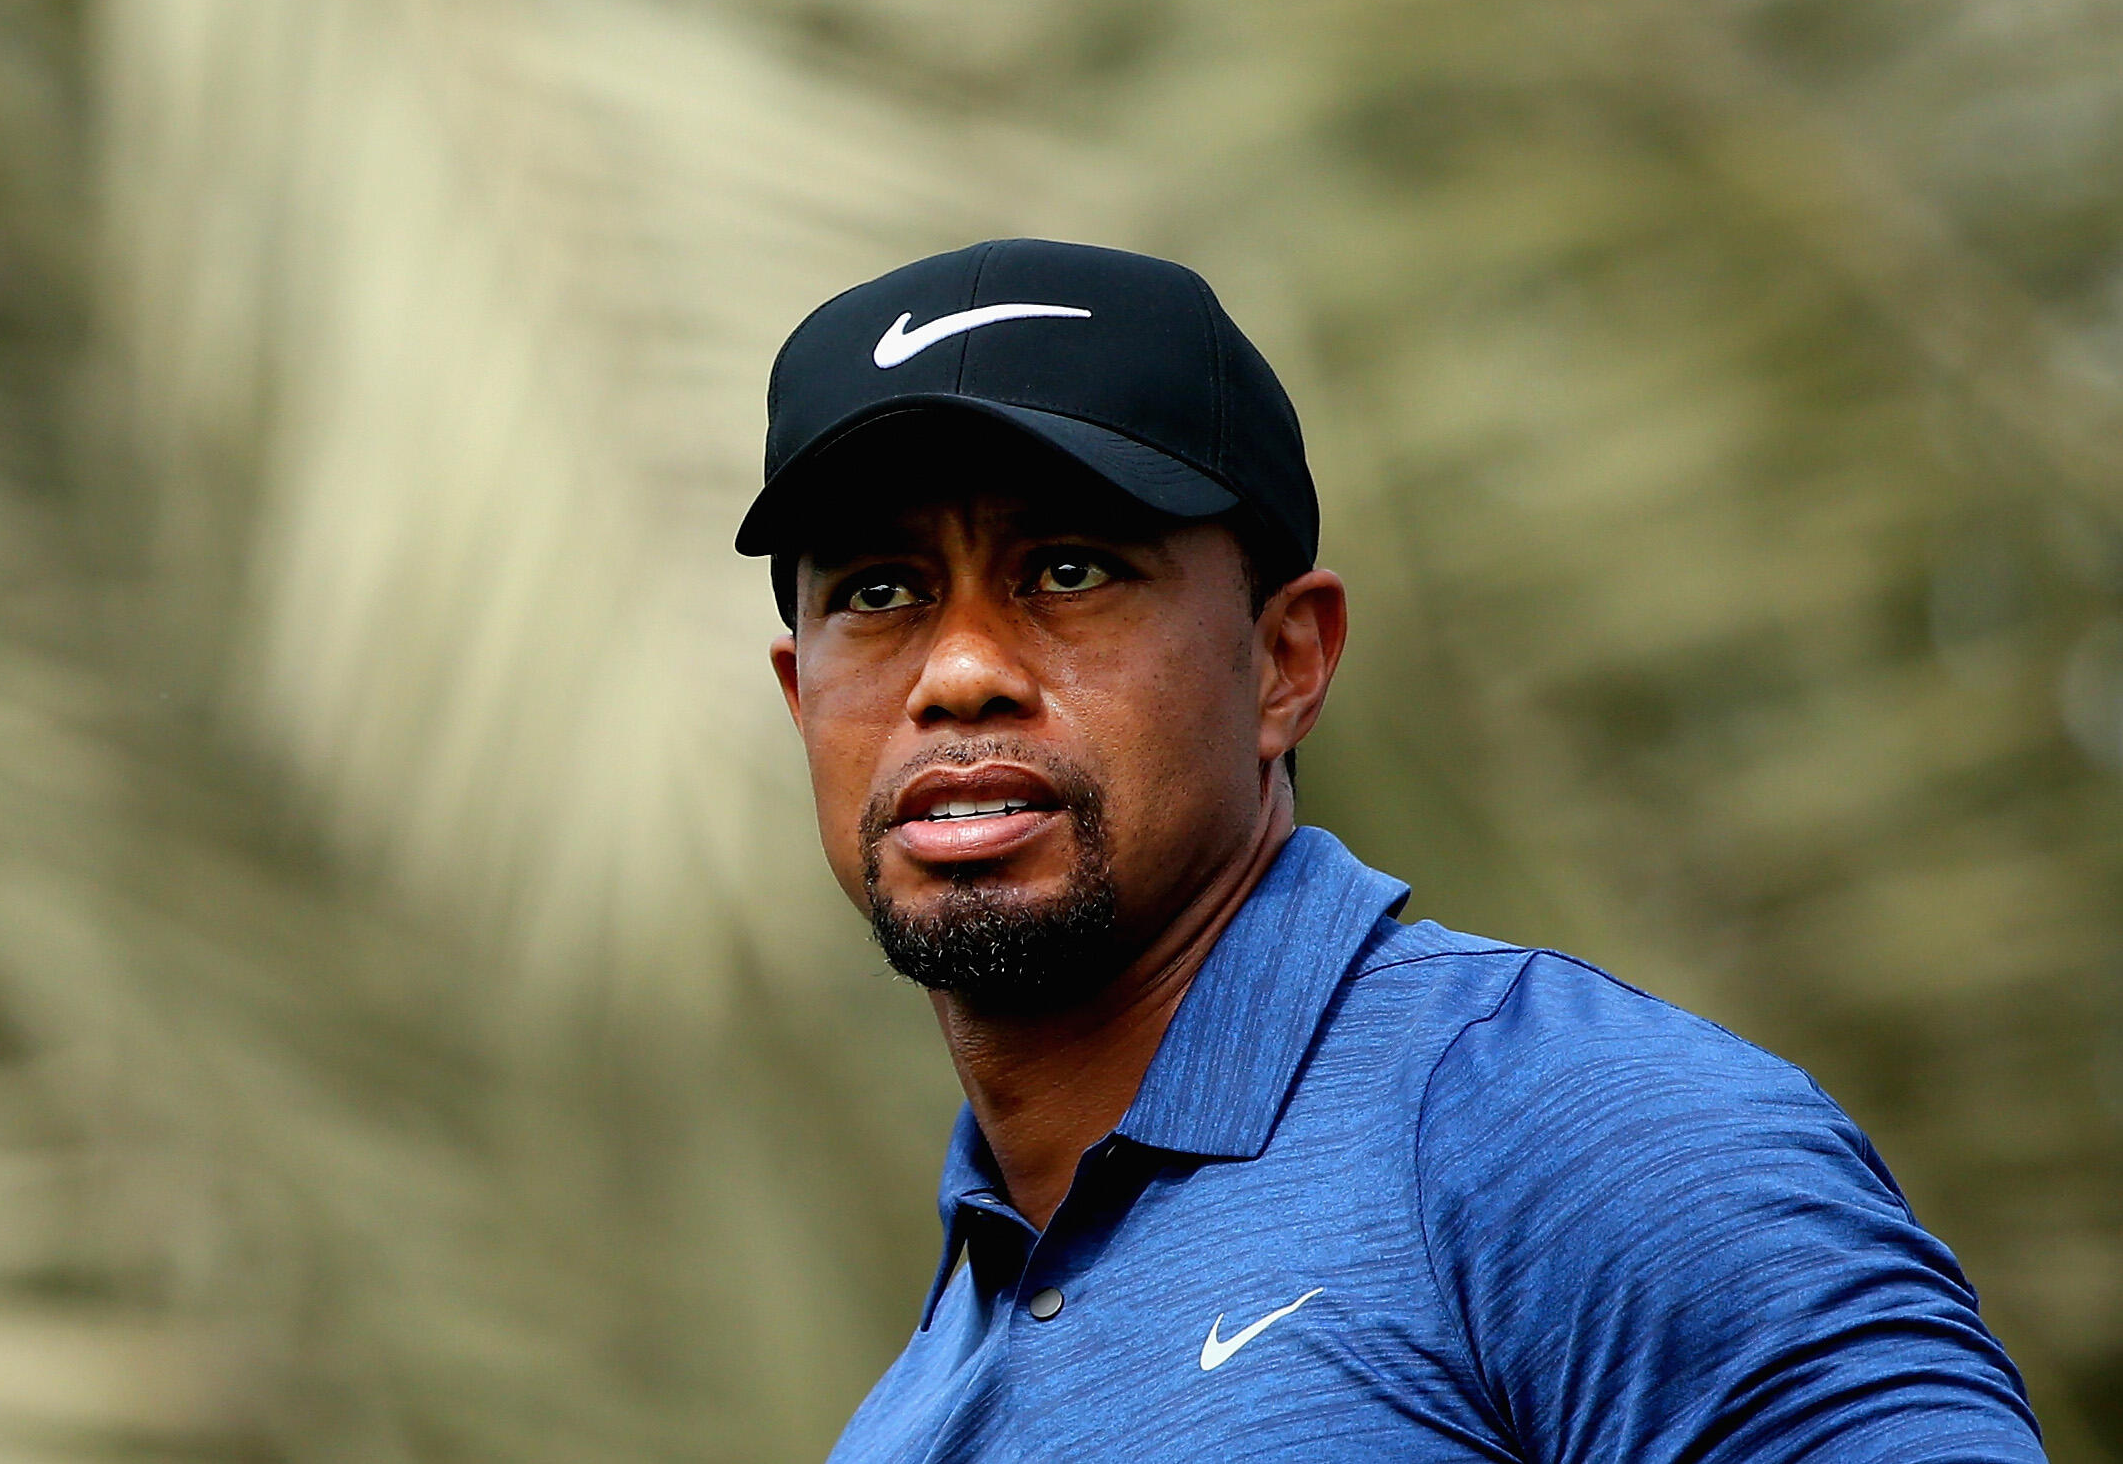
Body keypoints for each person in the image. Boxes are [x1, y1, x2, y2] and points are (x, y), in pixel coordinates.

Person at [737, 238, 2045, 1463]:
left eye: (1071, 569)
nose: (959, 672)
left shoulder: (1562, 1131)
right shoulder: (906, 1417)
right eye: (881, 592)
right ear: (803, 701)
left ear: (1286, 664)